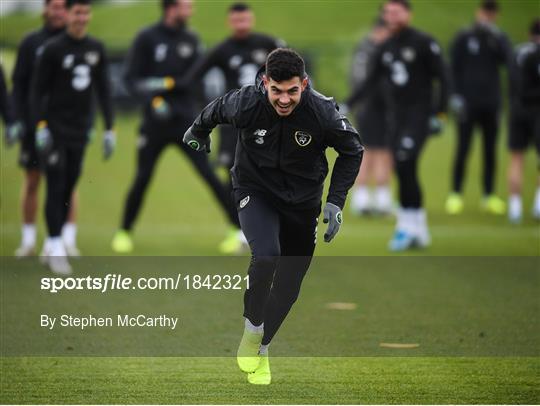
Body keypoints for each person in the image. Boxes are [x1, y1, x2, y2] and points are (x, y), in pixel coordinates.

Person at [183, 48, 363, 384]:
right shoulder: (247, 102)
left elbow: (352, 150)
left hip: (303, 202)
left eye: (292, 91)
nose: (283, 99)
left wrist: (336, 202)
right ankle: (252, 332)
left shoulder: (322, 112)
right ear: (265, 83)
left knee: (289, 284)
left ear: (304, 85)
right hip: (256, 190)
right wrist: (197, 131)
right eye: (276, 90)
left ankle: (262, 349)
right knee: (265, 256)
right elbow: (217, 109)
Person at [110, 0, 241, 255]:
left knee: (209, 176)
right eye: (186, 6)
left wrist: (205, 115)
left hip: (186, 124)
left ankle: (236, 230)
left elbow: (196, 82)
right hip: (153, 124)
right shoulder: (147, 38)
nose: (190, 11)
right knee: (142, 177)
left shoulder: (191, 39)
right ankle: (124, 232)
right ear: (171, 8)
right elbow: (130, 78)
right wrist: (153, 100)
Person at [177, 2, 284, 251]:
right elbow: (193, 78)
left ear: (252, 19)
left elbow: (294, 72)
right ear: (230, 22)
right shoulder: (222, 50)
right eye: (237, 21)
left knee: (270, 173)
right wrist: (208, 108)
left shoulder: (268, 44)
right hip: (234, 126)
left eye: (245, 20)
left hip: (268, 121)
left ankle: (271, 227)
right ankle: (240, 230)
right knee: (234, 177)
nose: (241, 25)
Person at [347, 0, 448, 251]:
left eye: (396, 11)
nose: (391, 16)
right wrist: (346, 104)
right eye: (388, 12)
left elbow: (444, 78)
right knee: (405, 169)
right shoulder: (386, 47)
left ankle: (404, 227)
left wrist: (440, 113)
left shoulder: (424, 42)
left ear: (408, 14)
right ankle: (418, 227)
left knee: (404, 161)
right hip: (396, 119)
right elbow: (370, 81)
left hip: (419, 116)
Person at [32, 0, 116, 274]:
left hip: (81, 131)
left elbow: (104, 91)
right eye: (77, 12)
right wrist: (40, 125)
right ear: (67, 15)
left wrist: (109, 129)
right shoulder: (53, 49)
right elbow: (37, 92)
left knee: (69, 186)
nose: (81, 18)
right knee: (55, 184)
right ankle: (56, 246)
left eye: (85, 12)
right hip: (55, 130)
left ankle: (52, 241)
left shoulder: (96, 48)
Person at [10, 0, 81, 258]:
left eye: (64, 7)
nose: (59, 12)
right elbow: (19, 84)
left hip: (65, 126)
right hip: (34, 124)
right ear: (46, 9)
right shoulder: (31, 43)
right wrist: (16, 118)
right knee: (32, 180)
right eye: (55, 6)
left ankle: (65, 239)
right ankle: (28, 241)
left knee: (66, 183)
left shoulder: (76, 43)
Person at [446, 0, 513, 215]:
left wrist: (497, 37)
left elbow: (510, 61)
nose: (488, 17)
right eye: (486, 13)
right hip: (467, 104)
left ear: (496, 16)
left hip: (491, 104)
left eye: (492, 14)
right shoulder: (464, 37)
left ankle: (489, 195)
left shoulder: (498, 38)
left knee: (490, 151)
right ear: (479, 13)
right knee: (463, 149)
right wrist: (454, 96)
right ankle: (455, 194)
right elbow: (452, 68)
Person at [348, 17, 393, 216]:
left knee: (375, 151)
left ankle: (370, 199)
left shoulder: (364, 49)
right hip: (374, 108)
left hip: (369, 108)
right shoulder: (375, 51)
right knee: (376, 152)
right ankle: (373, 199)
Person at [507, 19, 540, 223]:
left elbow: (512, 82)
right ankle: (538, 204)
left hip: (517, 110)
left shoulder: (518, 51)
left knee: (516, 158)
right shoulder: (535, 54)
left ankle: (514, 208)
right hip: (538, 111)